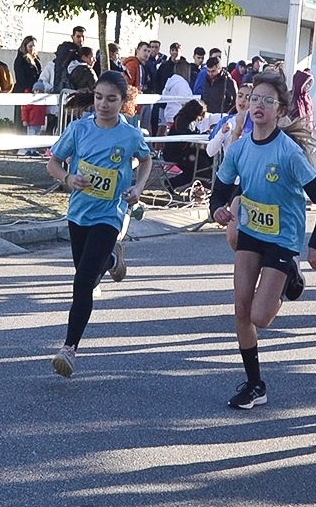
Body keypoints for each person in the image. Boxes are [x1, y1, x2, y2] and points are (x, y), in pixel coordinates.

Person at [209, 72, 316, 410]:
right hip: (251, 231)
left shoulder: (289, 153)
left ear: (280, 111)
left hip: (282, 238)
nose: (259, 105)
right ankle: (255, 384)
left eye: (268, 100)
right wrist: (218, 209)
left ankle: (289, 275)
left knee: (261, 317)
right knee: (240, 310)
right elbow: (220, 188)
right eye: (255, 99)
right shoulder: (239, 148)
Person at [45, 71, 152, 377]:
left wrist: (137, 188)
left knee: (82, 283)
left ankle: (69, 349)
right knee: (87, 276)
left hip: (109, 214)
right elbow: (53, 162)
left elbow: (145, 161)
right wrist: (67, 178)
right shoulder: (79, 129)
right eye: (99, 97)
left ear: (124, 101)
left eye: (112, 99)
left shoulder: (130, 135)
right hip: (79, 213)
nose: (104, 105)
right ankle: (112, 258)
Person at [162, 98, 211, 190]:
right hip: (174, 153)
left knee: (206, 157)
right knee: (202, 163)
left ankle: (171, 183)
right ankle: (202, 185)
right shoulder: (182, 120)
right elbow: (187, 134)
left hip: (183, 152)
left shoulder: (189, 120)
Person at [52, 26, 86, 94]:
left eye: (83, 37)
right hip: (65, 86)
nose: (81, 39)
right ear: (72, 37)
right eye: (78, 36)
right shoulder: (67, 50)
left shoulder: (82, 51)